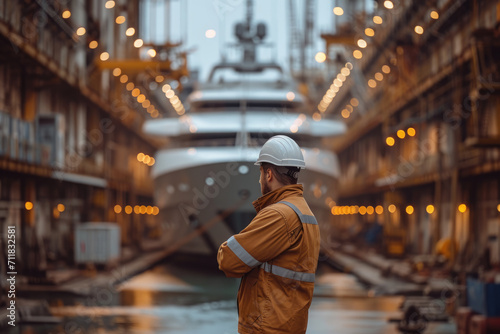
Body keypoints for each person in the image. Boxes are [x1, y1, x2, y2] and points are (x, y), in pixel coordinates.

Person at [217, 135, 320, 334]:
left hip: (267, 328)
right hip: (288, 325)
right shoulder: (305, 212)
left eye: (260, 173)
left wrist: (226, 246)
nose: (259, 179)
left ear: (269, 174)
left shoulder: (279, 215)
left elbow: (228, 261)